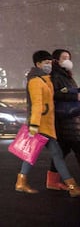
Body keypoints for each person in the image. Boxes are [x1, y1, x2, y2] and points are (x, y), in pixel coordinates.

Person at [15, 50, 79, 197]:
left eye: (50, 62)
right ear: (38, 64)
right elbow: (37, 104)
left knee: (41, 154)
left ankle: (21, 182)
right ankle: (72, 187)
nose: (49, 65)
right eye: (46, 63)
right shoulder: (35, 81)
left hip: (47, 125)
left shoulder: (45, 79)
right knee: (42, 154)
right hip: (40, 126)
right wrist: (34, 126)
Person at [47, 49, 80, 191]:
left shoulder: (66, 75)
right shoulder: (54, 75)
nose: (68, 60)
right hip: (65, 121)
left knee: (62, 151)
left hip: (72, 120)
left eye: (69, 57)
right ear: (56, 60)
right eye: (64, 58)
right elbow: (53, 94)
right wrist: (75, 97)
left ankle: (52, 181)